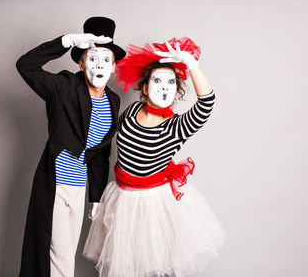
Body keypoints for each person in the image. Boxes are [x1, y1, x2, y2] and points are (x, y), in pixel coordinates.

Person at [82, 37, 225, 277]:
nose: (164, 86)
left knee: (153, 263)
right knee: (126, 263)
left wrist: (191, 64)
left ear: (176, 91)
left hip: (154, 204)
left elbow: (206, 103)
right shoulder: (132, 111)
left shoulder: (176, 127)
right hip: (121, 198)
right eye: (157, 80)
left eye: (171, 82)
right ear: (145, 88)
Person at [16, 17, 125, 277]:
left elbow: (100, 154)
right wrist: (66, 41)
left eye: (105, 60)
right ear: (80, 62)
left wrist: (96, 197)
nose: (99, 65)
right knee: (61, 258)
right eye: (92, 58)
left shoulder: (113, 100)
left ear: (113, 66)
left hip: (79, 188)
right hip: (55, 185)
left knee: (64, 256)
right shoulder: (63, 87)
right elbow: (25, 66)